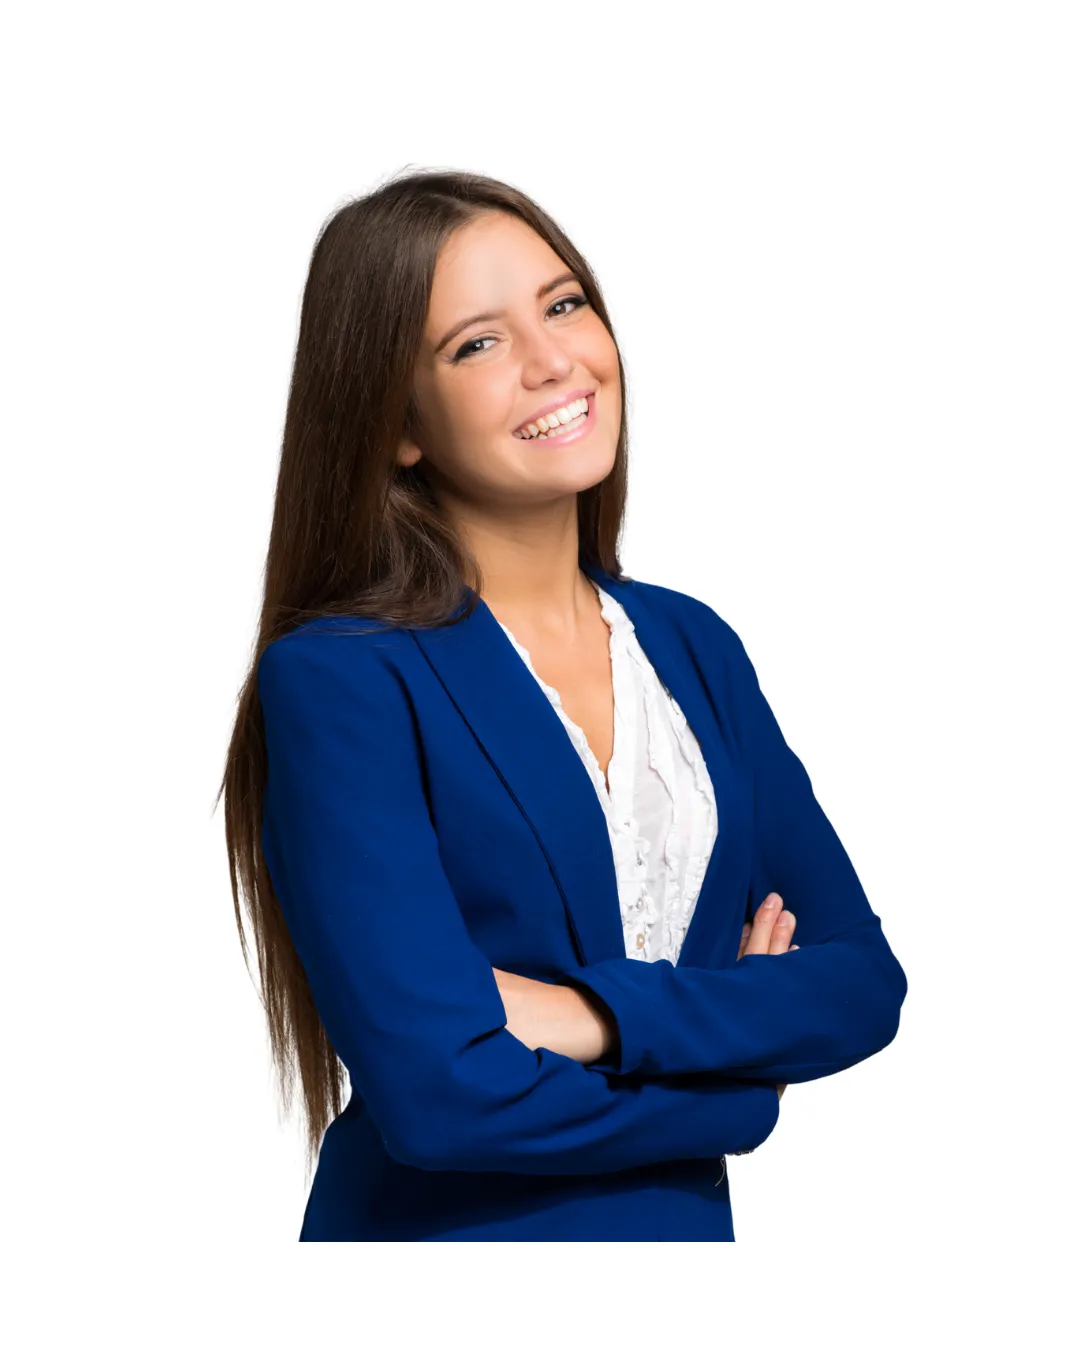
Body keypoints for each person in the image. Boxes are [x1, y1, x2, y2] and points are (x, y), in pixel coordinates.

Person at [219, 167, 907, 1242]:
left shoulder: (692, 645)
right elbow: (440, 1099)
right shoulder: (343, 679)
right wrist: (738, 1089)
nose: (553, 362)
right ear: (397, 423)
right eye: (477, 344)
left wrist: (584, 1015)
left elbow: (860, 984)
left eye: (565, 303)